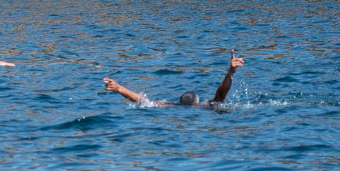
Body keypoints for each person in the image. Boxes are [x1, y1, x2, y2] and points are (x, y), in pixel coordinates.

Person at [103, 55, 242, 108]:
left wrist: (120, 88)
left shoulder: (170, 105)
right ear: (197, 101)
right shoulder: (202, 106)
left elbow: (142, 101)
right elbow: (221, 95)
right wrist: (230, 72)